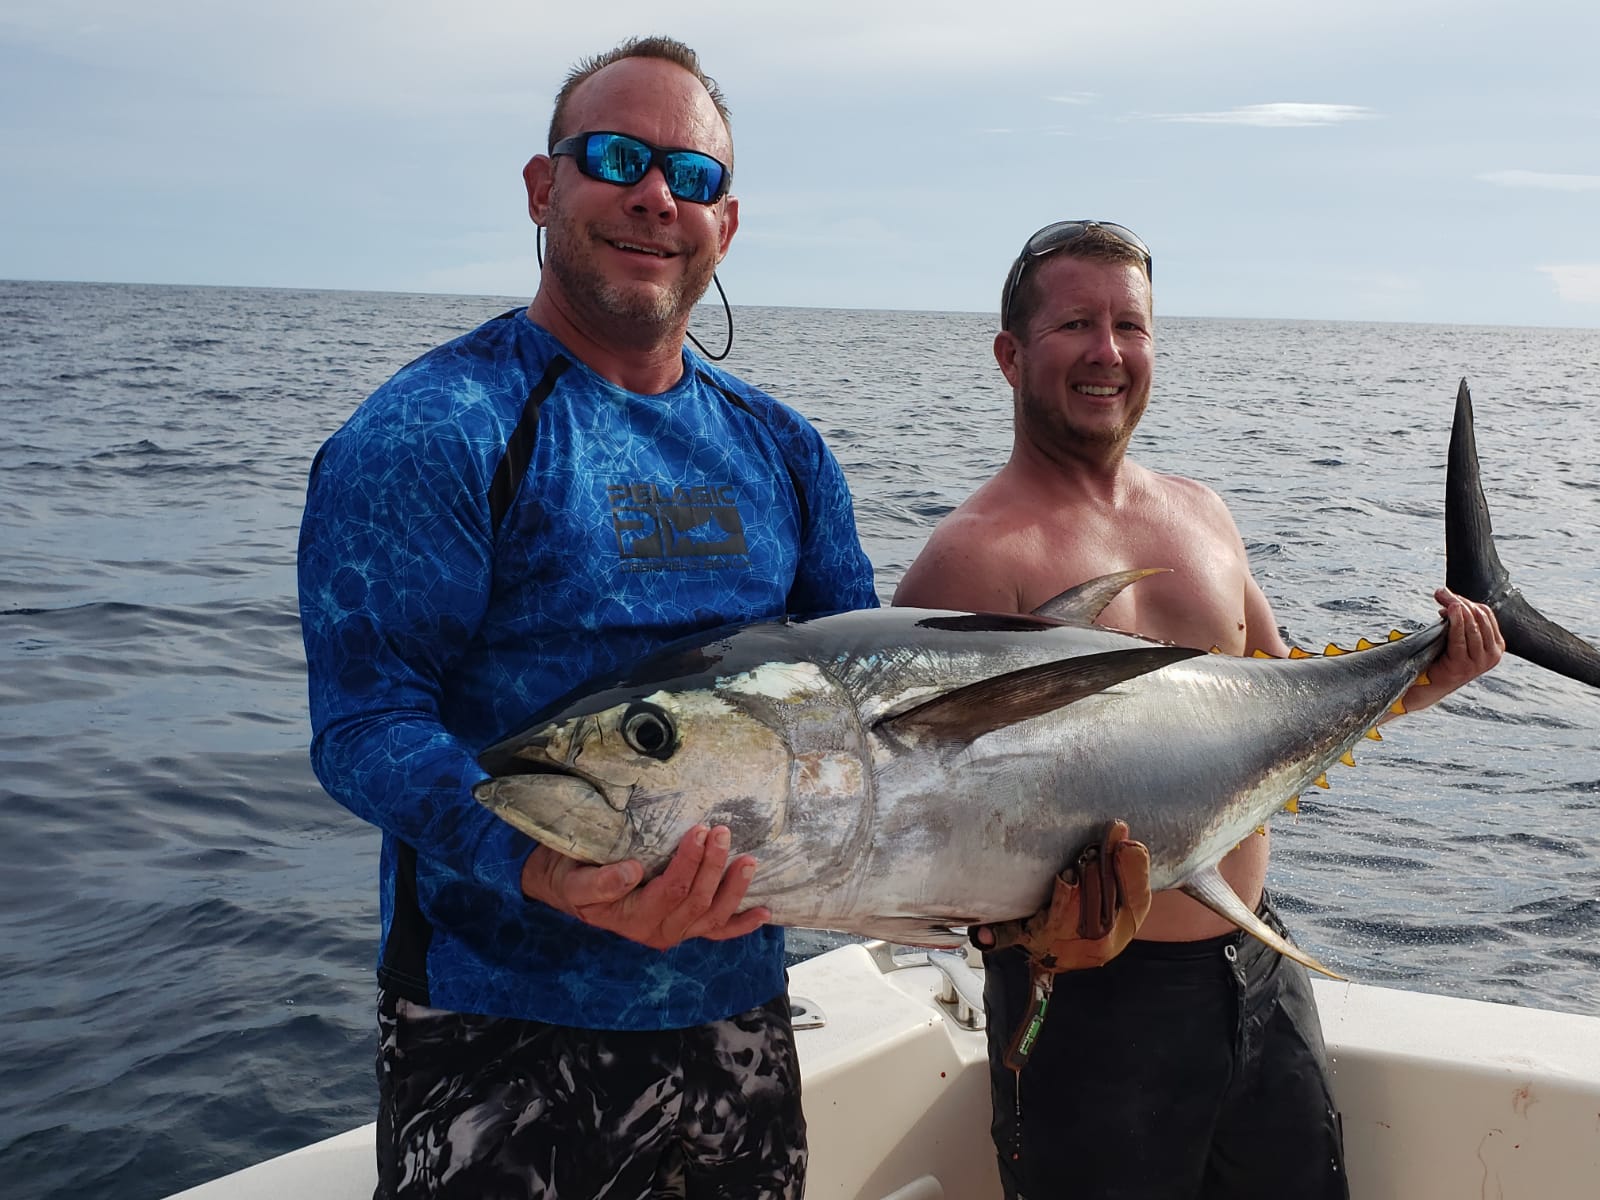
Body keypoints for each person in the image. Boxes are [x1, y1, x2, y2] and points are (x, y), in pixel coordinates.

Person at [296, 36, 881, 1200]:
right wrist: (539, 866)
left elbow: (863, 711)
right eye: (616, 156)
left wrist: (998, 891)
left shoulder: (783, 451)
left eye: (692, 175)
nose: (656, 195)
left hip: (740, 1026)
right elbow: (364, 724)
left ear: (725, 222)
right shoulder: (435, 430)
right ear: (541, 187)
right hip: (495, 1036)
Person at [892, 219, 1506, 1200]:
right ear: (1010, 355)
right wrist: (1028, 938)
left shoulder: (1201, 512)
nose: (1106, 351)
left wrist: (1419, 678)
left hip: (1257, 972)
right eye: (1075, 325)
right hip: (1091, 1019)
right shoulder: (970, 564)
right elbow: (919, 837)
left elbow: (1274, 693)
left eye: (1128, 325)